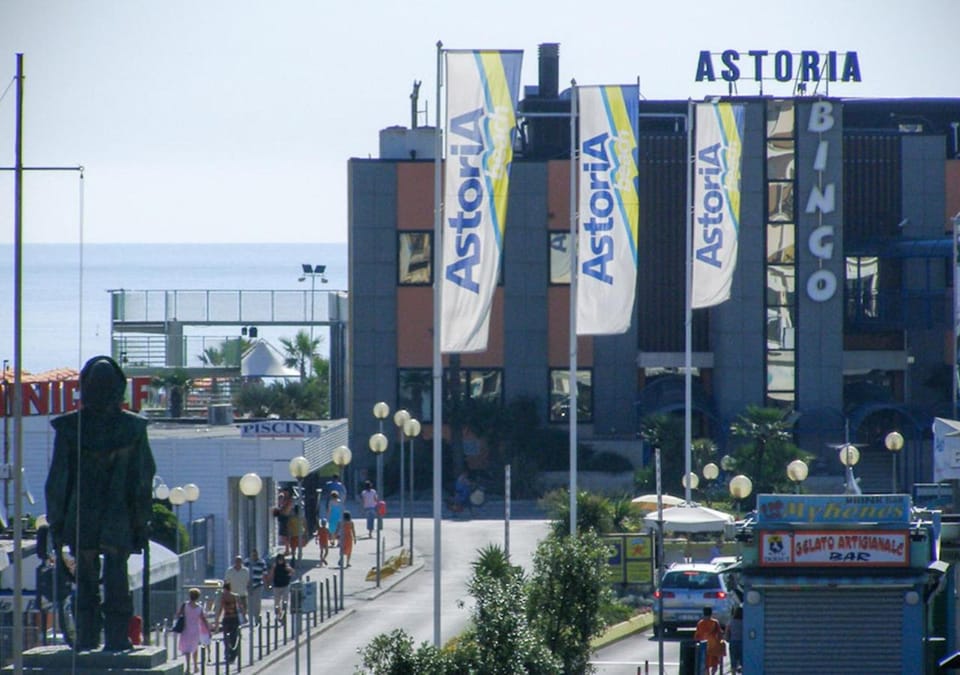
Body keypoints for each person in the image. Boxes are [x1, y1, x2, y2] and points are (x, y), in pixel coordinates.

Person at [45, 355, 156, 651]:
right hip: (117, 517)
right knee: (117, 575)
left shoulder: (69, 428)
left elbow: (58, 481)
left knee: (84, 577)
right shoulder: (133, 429)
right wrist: (141, 520)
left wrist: (55, 522)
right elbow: (143, 481)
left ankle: (86, 638)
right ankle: (118, 639)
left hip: (82, 516)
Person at [177, 587, 211, 674]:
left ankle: (188, 667)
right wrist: (209, 630)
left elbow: (178, 614)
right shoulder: (199, 607)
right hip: (196, 629)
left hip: (186, 629)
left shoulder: (185, 605)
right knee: (195, 647)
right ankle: (195, 665)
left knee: (187, 649)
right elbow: (204, 619)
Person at [214, 580, 241, 664]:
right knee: (234, 637)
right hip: (235, 619)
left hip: (227, 619)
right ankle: (233, 655)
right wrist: (244, 616)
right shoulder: (235, 596)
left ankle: (227, 654)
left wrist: (217, 620)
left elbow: (221, 608)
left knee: (226, 638)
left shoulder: (223, 597)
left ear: (225, 589)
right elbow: (240, 607)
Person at [694, 606, 725, 675]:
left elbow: (697, 635)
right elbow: (719, 634)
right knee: (715, 664)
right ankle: (713, 674)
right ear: (711, 613)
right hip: (713, 646)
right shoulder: (715, 622)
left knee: (705, 664)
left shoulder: (700, 623)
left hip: (704, 646)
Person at [265, 553, 294, 621]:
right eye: (279, 559)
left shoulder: (286, 566)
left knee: (285, 601)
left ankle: (284, 614)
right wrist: (268, 583)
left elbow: (292, 571)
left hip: (285, 586)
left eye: (281, 559)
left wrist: (289, 574)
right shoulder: (275, 566)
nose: (280, 561)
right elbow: (271, 575)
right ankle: (278, 614)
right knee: (277, 602)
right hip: (277, 586)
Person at [245, 548, 267, 625]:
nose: (254, 556)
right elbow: (244, 573)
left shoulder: (262, 562)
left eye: (255, 554)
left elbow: (264, 574)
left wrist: (266, 585)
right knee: (249, 603)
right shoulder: (247, 562)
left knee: (257, 603)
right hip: (249, 586)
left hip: (258, 585)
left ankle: (257, 618)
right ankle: (251, 620)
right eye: (253, 554)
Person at [273, 489, 293, 555]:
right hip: (283, 518)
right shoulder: (284, 499)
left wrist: (279, 510)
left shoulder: (289, 501)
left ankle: (287, 550)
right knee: (283, 535)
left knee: (285, 535)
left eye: (285, 491)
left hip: (286, 519)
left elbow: (286, 510)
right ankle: (287, 549)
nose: (284, 493)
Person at [725, 605, 743, 673]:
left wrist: (727, 639)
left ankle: (733, 673)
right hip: (742, 642)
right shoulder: (745, 622)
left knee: (733, 661)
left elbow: (727, 632)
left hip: (733, 642)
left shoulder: (731, 621)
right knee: (743, 661)